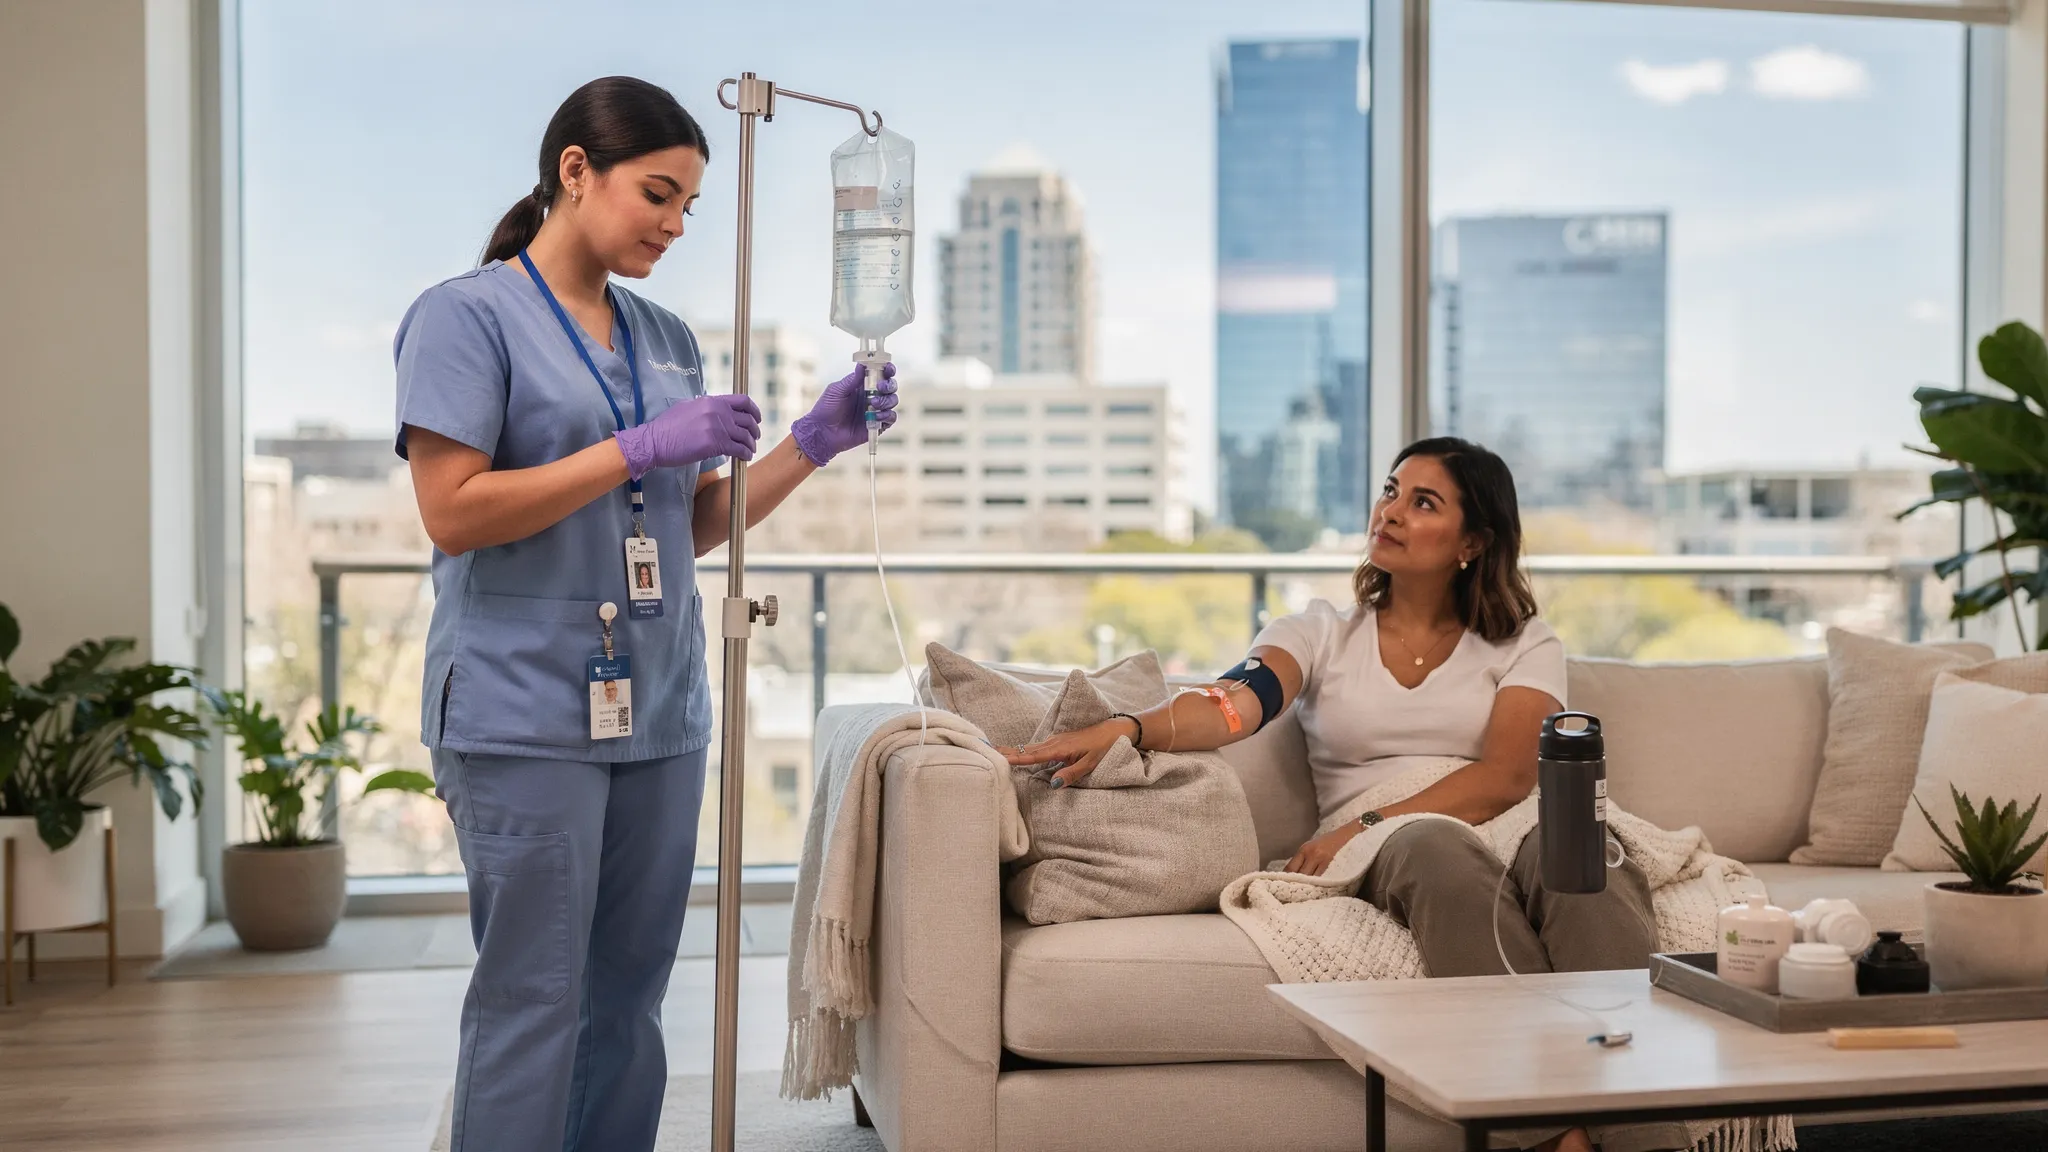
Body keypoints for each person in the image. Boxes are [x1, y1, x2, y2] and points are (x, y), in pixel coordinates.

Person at [394, 76, 900, 1152]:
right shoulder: (464, 317)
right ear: (573, 172)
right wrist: (632, 448)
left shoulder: (666, 335)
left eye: (689, 207)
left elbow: (687, 525)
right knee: (533, 996)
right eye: (657, 195)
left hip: (658, 706)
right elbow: (451, 512)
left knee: (628, 997)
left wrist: (813, 441)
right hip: (522, 711)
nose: (675, 225)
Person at [1002, 437, 1675, 1152]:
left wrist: (1369, 823)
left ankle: (1651, 1139)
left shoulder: (1524, 642)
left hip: (1498, 818)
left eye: (1423, 503)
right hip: (1401, 844)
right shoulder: (1317, 631)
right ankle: (1553, 1138)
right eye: (1391, 491)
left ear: (1472, 541)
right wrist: (1129, 727)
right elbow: (1235, 704)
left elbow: (1511, 775)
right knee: (1435, 848)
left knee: (1586, 861)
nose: (1390, 511)